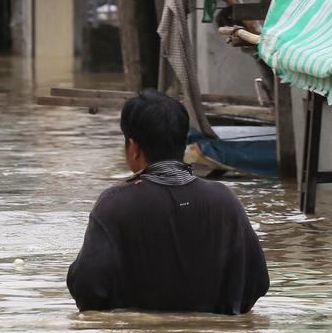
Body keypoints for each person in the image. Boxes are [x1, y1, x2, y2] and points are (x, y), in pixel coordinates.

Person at [67, 89, 269, 315]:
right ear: (183, 146)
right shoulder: (224, 200)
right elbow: (257, 282)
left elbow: (86, 288)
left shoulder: (114, 205)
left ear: (133, 148)